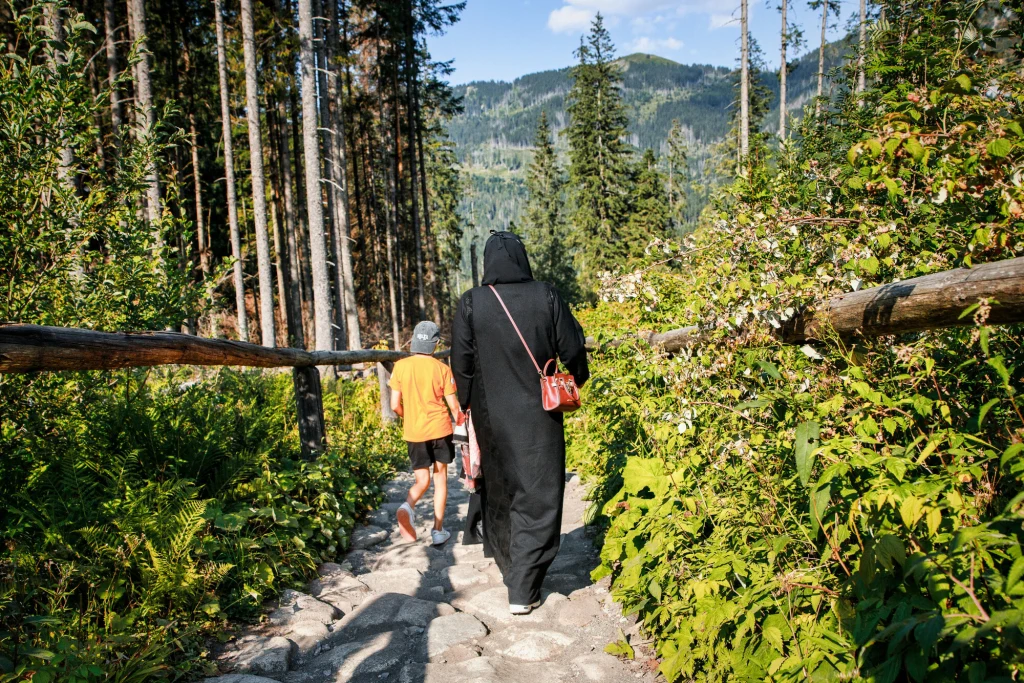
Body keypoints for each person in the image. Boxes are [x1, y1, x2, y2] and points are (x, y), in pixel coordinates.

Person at [450, 231, 590, 615]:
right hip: (539, 415)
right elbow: (572, 347)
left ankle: (512, 567)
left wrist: (465, 404)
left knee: (501, 489)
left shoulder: (472, 302)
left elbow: (459, 362)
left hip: (490, 413)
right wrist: (576, 377)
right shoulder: (546, 295)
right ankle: (524, 586)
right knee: (539, 492)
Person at [389, 320, 464, 546]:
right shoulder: (442, 368)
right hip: (440, 430)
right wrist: (462, 423)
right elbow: (453, 406)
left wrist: (409, 417)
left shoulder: (401, 367)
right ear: (435, 343)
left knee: (422, 480)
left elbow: (394, 405)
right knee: (440, 479)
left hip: (415, 432)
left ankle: (407, 506)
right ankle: (437, 531)